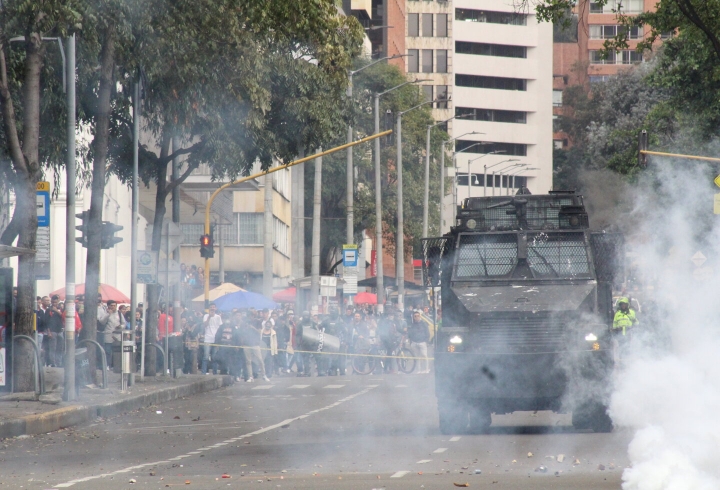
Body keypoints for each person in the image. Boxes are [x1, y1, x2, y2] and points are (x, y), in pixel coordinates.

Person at [202, 303, 223, 375]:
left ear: (216, 308)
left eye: (213, 307)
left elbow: (220, 328)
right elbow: (205, 325)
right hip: (207, 338)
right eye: (211, 307)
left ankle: (215, 373)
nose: (212, 309)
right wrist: (209, 317)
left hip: (215, 339)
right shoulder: (206, 316)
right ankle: (203, 372)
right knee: (206, 356)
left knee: (214, 357)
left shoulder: (218, 317)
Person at [104, 300, 125, 369]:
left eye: (114, 306)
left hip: (117, 335)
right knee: (108, 351)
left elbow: (123, 323)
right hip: (108, 334)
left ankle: (116, 365)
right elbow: (102, 322)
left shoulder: (119, 313)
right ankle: (108, 365)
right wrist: (108, 315)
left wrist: (121, 326)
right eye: (111, 306)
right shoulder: (105, 312)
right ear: (108, 306)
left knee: (117, 351)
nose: (113, 307)